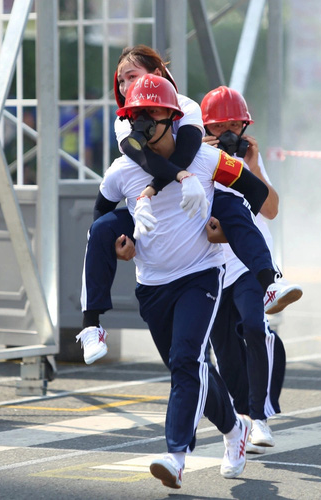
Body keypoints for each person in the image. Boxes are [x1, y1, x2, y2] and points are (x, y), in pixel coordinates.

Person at [76, 45, 300, 364]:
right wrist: (170, 184)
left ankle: (270, 283)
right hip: (153, 212)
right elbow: (146, 158)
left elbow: (188, 151)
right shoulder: (123, 129)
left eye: (132, 76)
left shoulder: (190, 116)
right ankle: (91, 326)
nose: (125, 86)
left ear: (156, 77)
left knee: (233, 210)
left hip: (197, 205)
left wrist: (219, 209)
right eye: (120, 80)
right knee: (98, 230)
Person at [98, 74, 268, 488]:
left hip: (201, 276)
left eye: (153, 114)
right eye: (136, 114)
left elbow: (259, 197)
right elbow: (101, 222)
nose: (144, 123)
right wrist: (122, 246)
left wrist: (228, 224)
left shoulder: (208, 160)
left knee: (185, 361)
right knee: (191, 369)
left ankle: (175, 455)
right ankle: (235, 430)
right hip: (152, 284)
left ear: (173, 118)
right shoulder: (123, 168)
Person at [200, 86, 290, 454]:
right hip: (213, 266)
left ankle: (260, 417)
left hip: (250, 263)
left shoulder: (247, 158)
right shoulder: (199, 159)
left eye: (234, 124)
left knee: (255, 327)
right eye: (219, 126)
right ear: (206, 128)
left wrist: (252, 166)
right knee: (224, 347)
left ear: (245, 125)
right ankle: (241, 417)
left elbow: (270, 210)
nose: (228, 133)